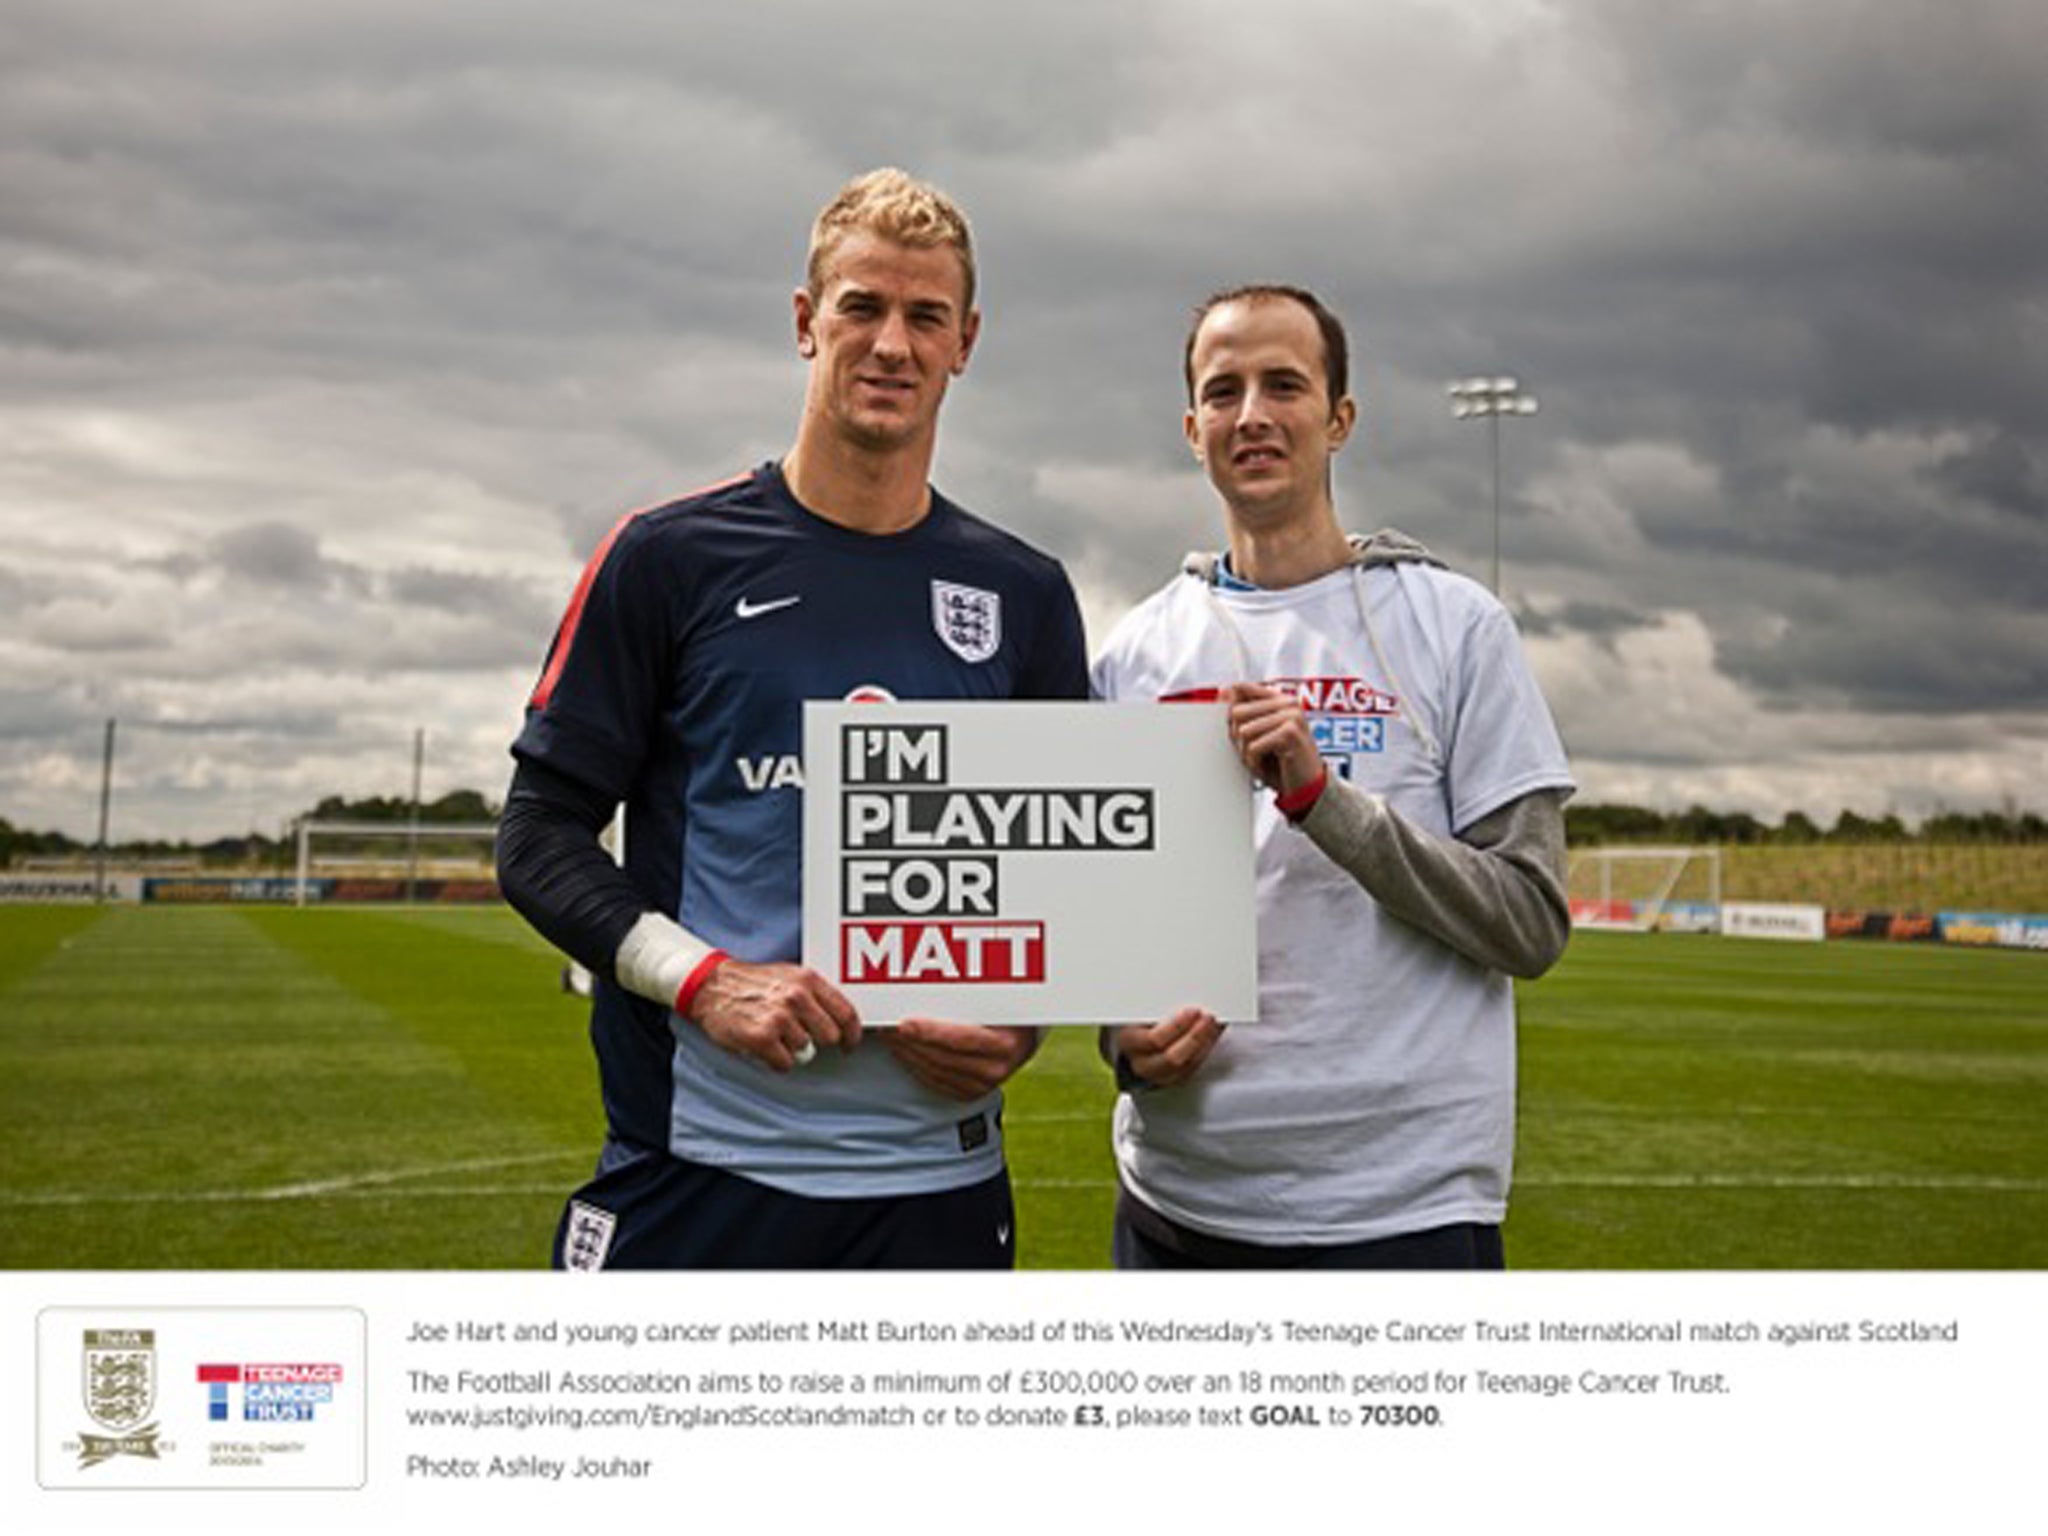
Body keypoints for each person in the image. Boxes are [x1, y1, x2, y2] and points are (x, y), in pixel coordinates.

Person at [497, 169, 1088, 1269]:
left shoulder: (1024, 594)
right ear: (806, 321)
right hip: (701, 1169)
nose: (891, 345)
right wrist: (704, 979)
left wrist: (1022, 1025)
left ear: (965, 342)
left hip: (938, 1186)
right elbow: (537, 836)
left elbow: (1059, 879)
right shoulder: (667, 558)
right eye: (862, 307)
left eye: (926, 317)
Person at [1091, 284, 1575, 1269]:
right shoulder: (1136, 652)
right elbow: (1107, 928)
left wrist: (1324, 803)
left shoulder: (1455, 626)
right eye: (1222, 391)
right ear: (1191, 430)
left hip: (1399, 1208)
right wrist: (1121, 1042)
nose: (1251, 414)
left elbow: (1529, 922)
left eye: (1284, 385)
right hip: (1176, 1203)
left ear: (1339, 418)